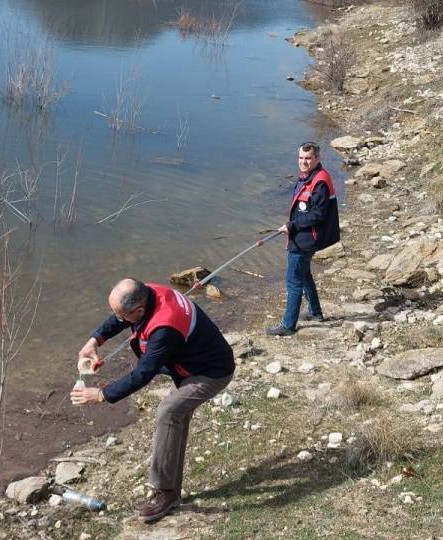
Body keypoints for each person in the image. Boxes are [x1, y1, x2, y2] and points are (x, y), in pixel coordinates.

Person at [70, 278, 234, 523]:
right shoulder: (146, 292)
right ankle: (171, 490)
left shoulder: (165, 328)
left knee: (169, 412)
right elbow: (119, 318)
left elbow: (143, 374)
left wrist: (102, 395)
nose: (119, 319)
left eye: (122, 315)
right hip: (190, 364)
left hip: (211, 372)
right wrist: (95, 340)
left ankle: (165, 493)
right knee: (176, 418)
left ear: (139, 310)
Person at [266, 141, 340, 337]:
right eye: (301, 158)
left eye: (308, 158)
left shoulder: (320, 181)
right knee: (304, 274)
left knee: (293, 281)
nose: (303, 162)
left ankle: (288, 326)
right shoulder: (311, 176)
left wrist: (292, 226)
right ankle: (315, 312)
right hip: (303, 235)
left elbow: (318, 214)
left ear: (317, 158)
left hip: (307, 238)